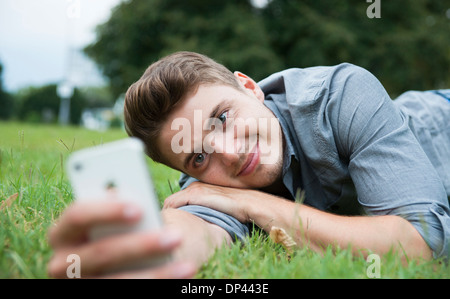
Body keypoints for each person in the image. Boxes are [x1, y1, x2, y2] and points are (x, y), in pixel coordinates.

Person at [48, 51, 450, 278]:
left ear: (250, 87)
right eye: (198, 156)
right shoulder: (208, 184)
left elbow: (420, 244)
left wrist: (254, 205)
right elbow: (194, 227)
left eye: (222, 117)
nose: (229, 153)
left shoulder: (339, 94)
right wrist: (144, 255)